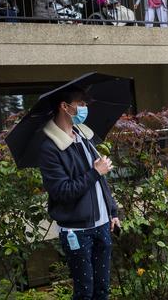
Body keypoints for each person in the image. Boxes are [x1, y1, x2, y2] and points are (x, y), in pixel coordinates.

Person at [39, 86, 120, 299]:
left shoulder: (84, 136)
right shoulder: (50, 149)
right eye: (81, 104)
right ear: (65, 107)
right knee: (85, 292)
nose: (85, 108)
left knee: (102, 290)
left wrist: (112, 211)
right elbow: (62, 192)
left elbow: (100, 181)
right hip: (77, 231)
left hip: (102, 225)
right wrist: (95, 171)